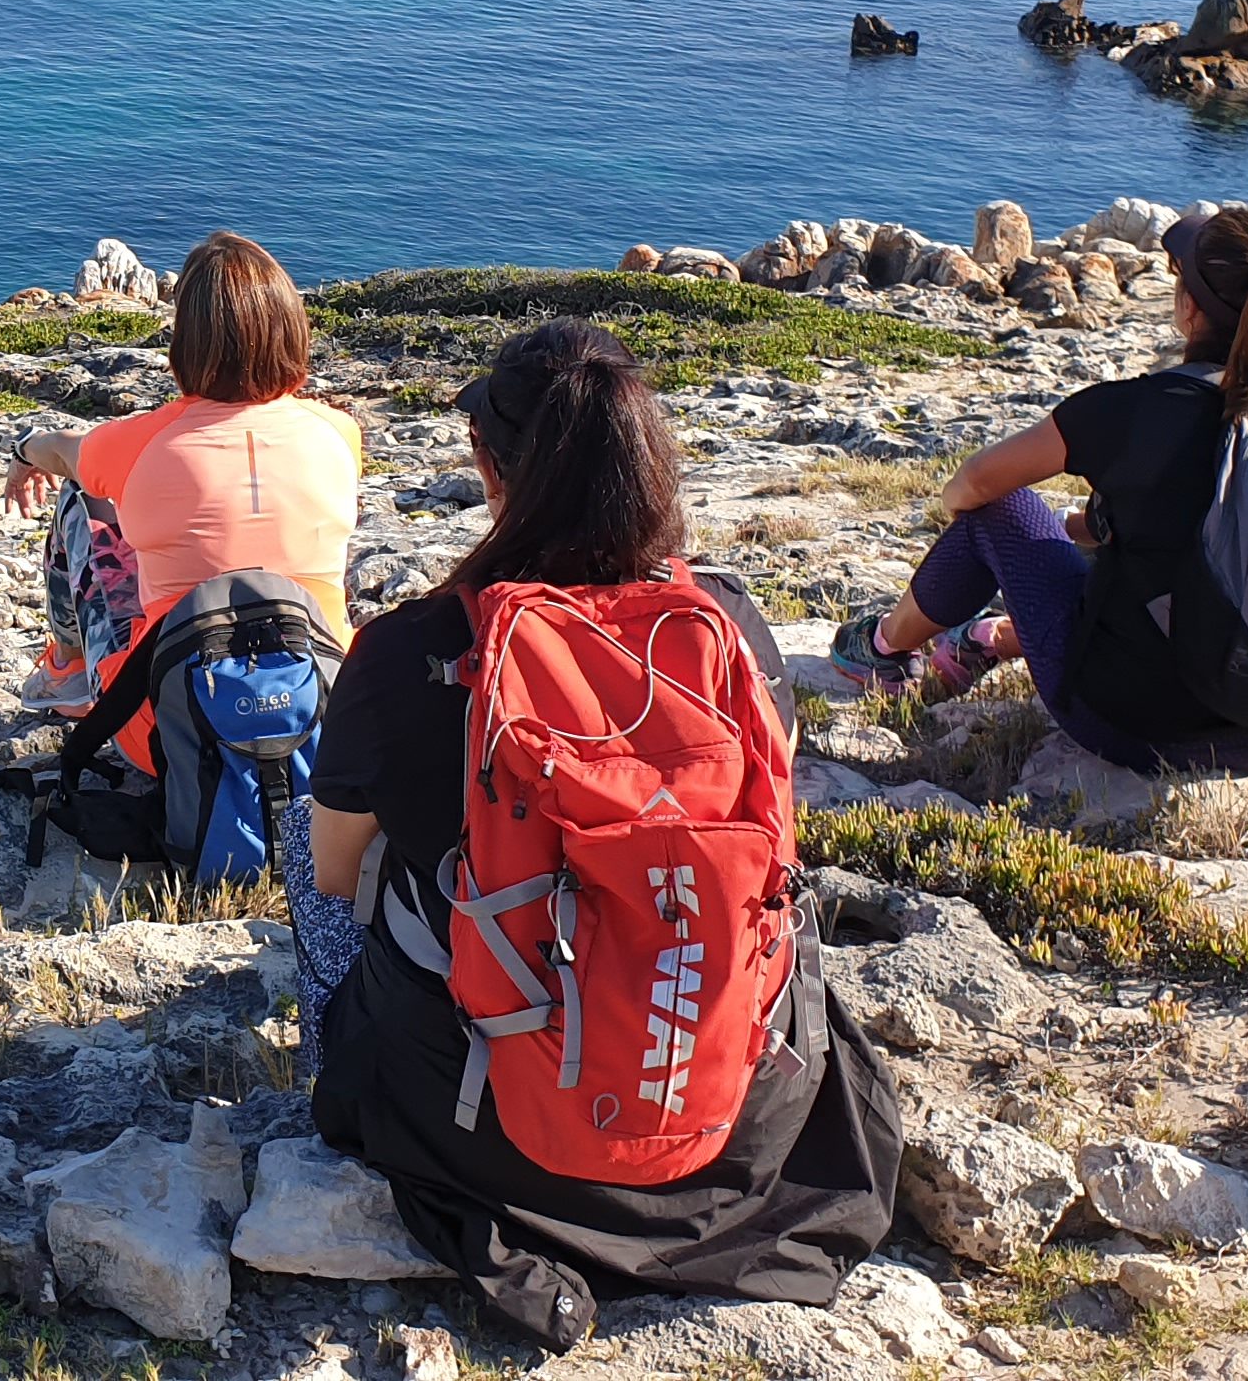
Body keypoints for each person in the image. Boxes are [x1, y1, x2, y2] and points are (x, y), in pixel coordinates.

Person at [303, 319, 899, 1346]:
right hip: (736, 1122)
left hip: (484, 1128)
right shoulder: (730, 629)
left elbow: (331, 870)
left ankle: (329, 1067)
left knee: (305, 845)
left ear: (490, 465)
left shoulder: (410, 653)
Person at [810, 204, 1248, 776]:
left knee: (1000, 509)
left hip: (1140, 730)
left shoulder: (1136, 412)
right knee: (1101, 546)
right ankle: (989, 639)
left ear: (1189, 309)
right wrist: (1073, 528)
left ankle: (883, 651)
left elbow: (976, 482)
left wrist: (961, 515)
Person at [4, 232, 364, 768]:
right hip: (325, 718)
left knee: (83, 499)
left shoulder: (140, 442)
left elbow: (61, 452)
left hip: (169, 737)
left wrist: (23, 450)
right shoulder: (338, 432)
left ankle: (66, 672)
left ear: (185, 342)